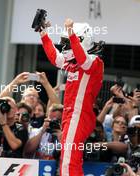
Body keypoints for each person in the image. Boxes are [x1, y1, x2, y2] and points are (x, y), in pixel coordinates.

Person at [40, 18, 104, 175]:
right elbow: (55, 57)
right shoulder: (73, 63)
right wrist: (43, 33)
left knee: (69, 161)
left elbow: (83, 60)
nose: (64, 46)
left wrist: (71, 33)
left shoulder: (94, 62)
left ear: (82, 40)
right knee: (68, 159)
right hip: (70, 116)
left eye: (66, 42)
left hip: (79, 115)